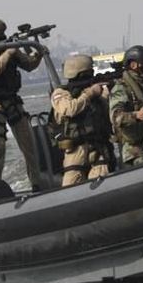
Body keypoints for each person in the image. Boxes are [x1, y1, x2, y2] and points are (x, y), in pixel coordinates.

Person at [0, 17, 44, 190]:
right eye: (0, 36)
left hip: (13, 101)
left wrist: (38, 52)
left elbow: (28, 65)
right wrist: (8, 53)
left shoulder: (9, 48)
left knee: (28, 144)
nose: (3, 38)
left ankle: (36, 183)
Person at [51, 54, 114, 186]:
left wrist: (105, 92)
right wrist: (90, 93)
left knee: (102, 184)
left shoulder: (96, 92)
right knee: (70, 186)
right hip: (75, 150)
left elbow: (106, 112)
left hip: (97, 146)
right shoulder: (61, 93)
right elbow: (69, 109)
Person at [109, 45, 143, 166]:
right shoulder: (121, 88)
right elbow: (115, 117)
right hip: (135, 151)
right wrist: (136, 115)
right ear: (133, 65)